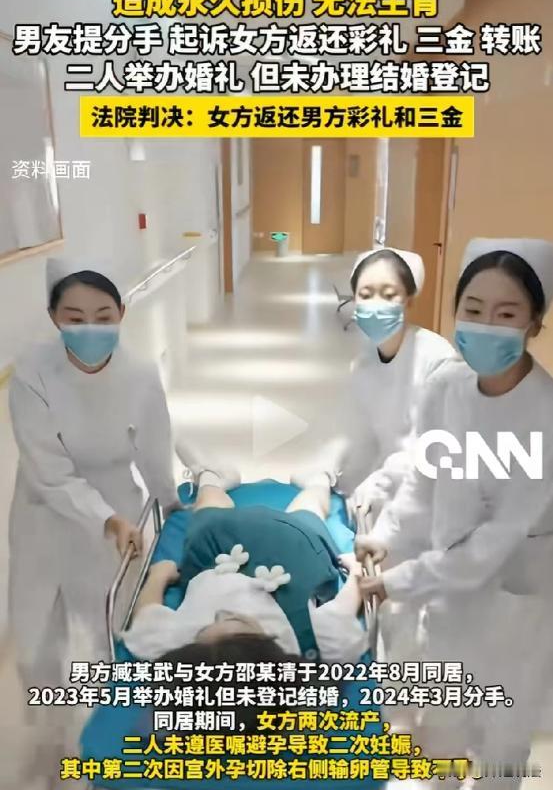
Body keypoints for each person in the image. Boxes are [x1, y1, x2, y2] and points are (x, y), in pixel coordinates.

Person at [357, 238, 553, 788]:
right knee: (442, 724)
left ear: (534, 323)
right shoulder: (446, 386)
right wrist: (389, 536)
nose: (486, 326)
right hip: (450, 594)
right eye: (474, 309)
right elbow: (424, 483)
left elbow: (496, 541)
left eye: (506, 314)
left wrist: (398, 581)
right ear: (455, 310)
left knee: (501, 740)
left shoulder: (544, 413)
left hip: (516, 597)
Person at [8, 256, 180, 692]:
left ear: (121, 312)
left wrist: (171, 505)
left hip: (118, 507)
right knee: (35, 635)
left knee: (115, 622)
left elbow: (155, 450)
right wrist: (105, 518)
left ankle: (113, 705)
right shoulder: (32, 373)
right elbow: (49, 470)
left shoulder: (140, 374)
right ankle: (46, 712)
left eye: (103, 317)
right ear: (54, 317)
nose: (91, 328)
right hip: (43, 511)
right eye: (75, 317)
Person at [122, 460, 367, 665]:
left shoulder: (171, 647)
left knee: (208, 512)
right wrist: (356, 573)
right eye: (236, 621)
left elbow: (146, 619)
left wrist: (159, 576)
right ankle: (319, 478)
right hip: (291, 559)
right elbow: (342, 610)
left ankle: (211, 476)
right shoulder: (321, 645)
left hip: (216, 558)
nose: (222, 613)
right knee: (309, 512)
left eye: (209, 625)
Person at [294, 247, 456, 522]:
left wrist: (382, 482)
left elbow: (438, 449)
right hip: (375, 493)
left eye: (389, 295)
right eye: (366, 295)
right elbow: (350, 434)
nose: (376, 304)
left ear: (409, 300)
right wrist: (320, 479)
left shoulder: (436, 358)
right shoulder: (364, 363)